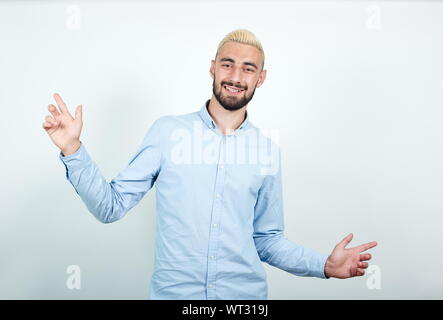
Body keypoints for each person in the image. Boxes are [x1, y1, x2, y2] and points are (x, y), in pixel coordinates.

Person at [42, 29, 377, 299]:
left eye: (248, 68)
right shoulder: (167, 133)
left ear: (261, 78)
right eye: (227, 64)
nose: (235, 75)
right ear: (212, 68)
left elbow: (267, 239)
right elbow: (110, 207)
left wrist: (323, 265)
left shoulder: (266, 151)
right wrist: (73, 149)